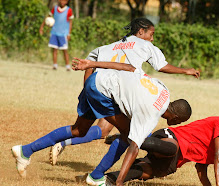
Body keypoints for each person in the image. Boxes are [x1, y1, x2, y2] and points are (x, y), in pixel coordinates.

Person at [11, 61, 192, 186]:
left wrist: (92, 65)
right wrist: (120, 180)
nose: (178, 125)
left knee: (78, 130)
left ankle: (25, 151)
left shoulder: (164, 90)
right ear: (175, 117)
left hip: (97, 80)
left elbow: (134, 77)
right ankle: (96, 176)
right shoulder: (152, 115)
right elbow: (134, 148)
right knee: (129, 136)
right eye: (180, 121)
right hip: (103, 92)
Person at [49, 17, 200, 166]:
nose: (152, 39)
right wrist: (185, 70)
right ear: (141, 32)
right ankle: (91, 166)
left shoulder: (118, 44)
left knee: (103, 130)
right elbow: (161, 66)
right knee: (113, 131)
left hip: (102, 86)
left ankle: (69, 147)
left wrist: (86, 87)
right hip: (117, 91)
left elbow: (91, 63)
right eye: (151, 34)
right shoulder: (143, 46)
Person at [77, 113, 219, 186]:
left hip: (175, 158)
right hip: (170, 138)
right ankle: (129, 136)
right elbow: (217, 152)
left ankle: (105, 178)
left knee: (153, 172)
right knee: (173, 148)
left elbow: (201, 165)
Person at [39, 0, 73, 71]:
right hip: (54, 32)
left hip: (63, 33)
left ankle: (67, 65)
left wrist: (69, 33)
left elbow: (70, 23)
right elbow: (47, 18)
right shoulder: (55, 8)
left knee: (65, 50)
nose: (63, 2)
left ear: (67, 2)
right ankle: (55, 65)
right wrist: (41, 27)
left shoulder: (69, 10)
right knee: (54, 49)